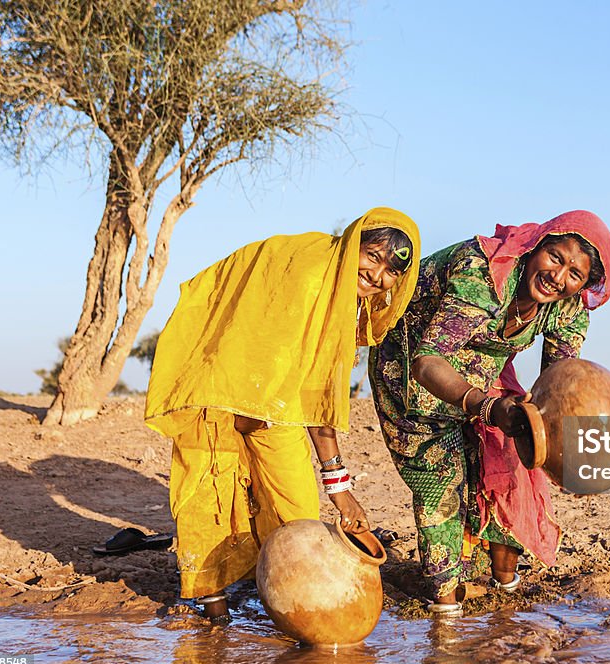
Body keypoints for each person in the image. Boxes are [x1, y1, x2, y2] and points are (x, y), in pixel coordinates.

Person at [144, 207, 420, 624]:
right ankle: (212, 610)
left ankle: (290, 607)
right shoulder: (309, 273)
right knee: (210, 497)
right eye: (373, 256)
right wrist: (338, 487)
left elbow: (315, 393)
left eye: (391, 271)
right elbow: (256, 345)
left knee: (298, 513)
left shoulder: (342, 301)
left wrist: (337, 485)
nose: (378, 275)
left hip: (277, 406)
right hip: (220, 385)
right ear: (353, 246)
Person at [368, 210, 610, 613]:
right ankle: (444, 604)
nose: (559, 276)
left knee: (512, 465)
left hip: (483, 369)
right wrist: (485, 406)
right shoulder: (483, 274)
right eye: (556, 257)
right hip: (412, 362)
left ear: (584, 285)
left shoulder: (568, 310)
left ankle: (505, 583)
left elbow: (559, 384)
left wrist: (572, 447)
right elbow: (428, 362)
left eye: (575, 274)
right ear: (536, 247)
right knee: (441, 475)